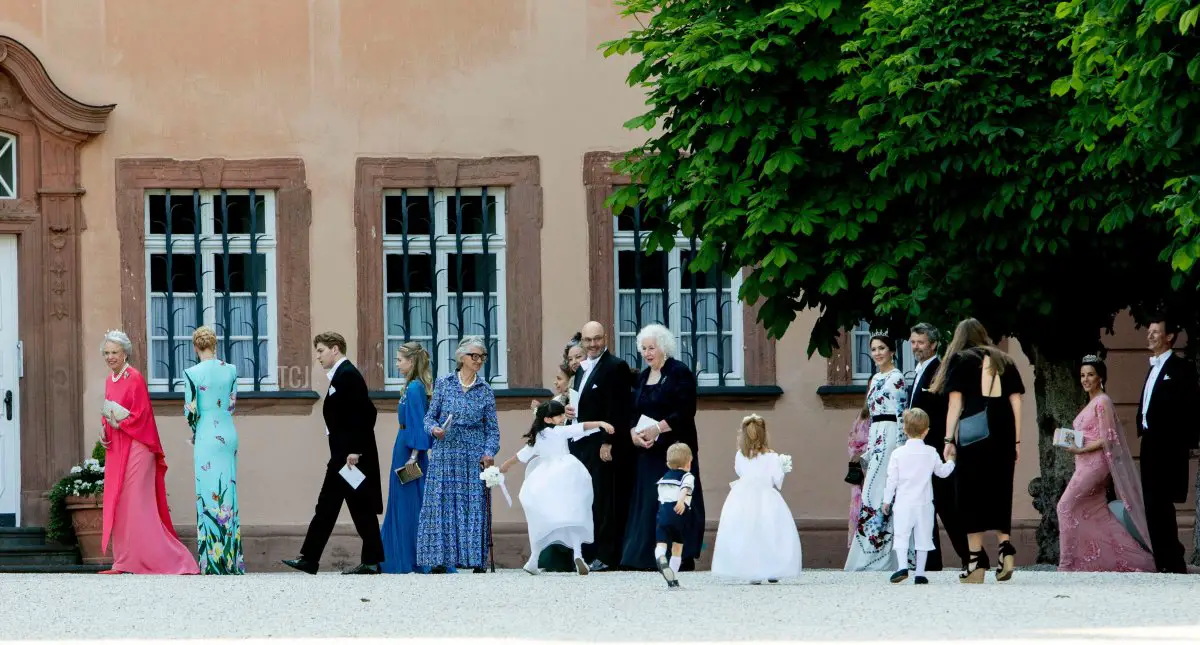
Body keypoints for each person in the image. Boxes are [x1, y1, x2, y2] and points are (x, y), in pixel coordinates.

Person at [931, 318, 1024, 583]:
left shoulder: (961, 360)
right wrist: (1017, 441)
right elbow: (1016, 402)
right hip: (1004, 431)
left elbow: (955, 404)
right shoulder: (1005, 360)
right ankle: (1005, 548)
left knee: (970, 495)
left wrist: (948, 440)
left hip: (974, 433)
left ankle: (974, 563)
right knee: (1000, 491)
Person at [98, 330, 198, 575]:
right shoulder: (110, 380)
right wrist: (104, 431)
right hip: (118, 445)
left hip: (137, 446)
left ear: (125, 354)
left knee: (136, 504)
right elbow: (109, 410)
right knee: (120, 503)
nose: (110, 357)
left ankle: (174, 560)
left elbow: (142, 414)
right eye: (107, 353)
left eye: (114, 352)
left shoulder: (135, 377)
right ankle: (124, 560)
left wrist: (119, 424)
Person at [283, 332, 383, 575]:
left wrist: (355, 451)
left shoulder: (348, 375)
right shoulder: (342, 374)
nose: (317, 356)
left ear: (335, 349)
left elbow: (365, 414)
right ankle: (363, 561)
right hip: (343, 455)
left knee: (338, 507)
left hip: (348, 458)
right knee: (347, 508)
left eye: (320, 350)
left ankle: (312, 558)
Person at [1056, 355, 1155, 573]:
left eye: (1090, 375)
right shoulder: (1093, 402)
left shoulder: (1102, 401)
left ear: (1101, 377)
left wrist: (1081, 449)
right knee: (1097, 513)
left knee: (1064, 506)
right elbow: (1090, 434)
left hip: (1095, 465)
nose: (1085, 379)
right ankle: (1135, 561)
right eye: (1082, 375)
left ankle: (1067, 564)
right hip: (1084, 463)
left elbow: (1109, 437)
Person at [621, 324, 705, 572]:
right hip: (648, 450)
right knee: (648, 500)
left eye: (651, 348)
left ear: (664, 347)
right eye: (643, 349)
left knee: (675, 501)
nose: (647, 353)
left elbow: (686, 411)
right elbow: (633, 412)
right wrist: (633, 435)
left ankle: (680, 556)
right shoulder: (643, 376)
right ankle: (646, 557)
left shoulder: (679, 372)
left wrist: (658, 428)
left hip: (675, 450)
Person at [499, 399, 615, 576]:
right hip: (568, 472)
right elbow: (582, 427)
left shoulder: (538, 436)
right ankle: (578, 555)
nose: (563, 417)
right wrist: (600, 423)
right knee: (574, 513)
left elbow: (522, 455)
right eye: (559, 415)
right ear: (548, 419)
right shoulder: (560, 432)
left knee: (540, 518)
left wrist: (505, 465)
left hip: (545, 477)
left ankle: (534, 558)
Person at [417, 335, 501, 573]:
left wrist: (488, 452)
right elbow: (429, 417)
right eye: (474, 356)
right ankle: (441, 560)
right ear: (461, 357)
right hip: (445, 453)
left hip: (472, 454)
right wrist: (434, 429)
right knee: (442, 504)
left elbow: (492, 430)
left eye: (482, 356)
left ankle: (475, 560)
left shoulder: (485, 391)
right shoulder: (444, 383)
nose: (479, 360)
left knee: (473, 505)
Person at [567, 321, 634, 571]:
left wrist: (608, 442)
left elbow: (618, 408)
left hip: (602, 443)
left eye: (597, 339)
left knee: (605, 499)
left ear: (605, 338)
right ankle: (590, 552)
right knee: (589, 499)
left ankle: (607, 556)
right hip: (582, 443)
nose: (593, 344)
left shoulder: (616, 367)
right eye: (587, 340)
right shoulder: (582, 369)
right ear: (582, 341)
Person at [1135, 316, 1198, 574]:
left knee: (1163, 502)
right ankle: (1161, 559)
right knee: (1151, 502)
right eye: (1148, 332)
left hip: (1169, 445)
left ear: (1169, 336)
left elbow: (1191, 407)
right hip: (1149, 443)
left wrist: (1187, 442)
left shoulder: (1182, 368)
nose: (1149, 336)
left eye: (1155, 332)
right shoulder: (1152, 368)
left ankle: (1173, 561)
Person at [710, 414, 802, 584]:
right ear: (764, 434)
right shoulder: (772, 457)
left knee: (747, 533)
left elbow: (739, 472)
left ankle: (752, 571)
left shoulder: (740, 455)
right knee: (771, 532)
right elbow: (776, 480)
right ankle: (773, 570)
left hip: (741, 497)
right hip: (767, 496)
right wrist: (782, 468)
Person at [844, 333, 908, 572]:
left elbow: (902, 412)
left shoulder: (897, 377)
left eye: (882, 348)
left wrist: (901, 446)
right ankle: (870, 553)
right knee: (871, 494)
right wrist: (870, 448)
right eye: (873, 349)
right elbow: (871, 415)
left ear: (891, 351)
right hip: (877, 438)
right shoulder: (876, 379)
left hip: (891, 436)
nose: (878, 353)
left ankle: (888, 556)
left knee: (885, 493)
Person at [906, 322, 967, 571]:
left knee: (945, 504)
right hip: (920, 448)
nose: (916, 347)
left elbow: (944, 412)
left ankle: (971, 555)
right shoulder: (920, 369)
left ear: (933, 344)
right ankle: (931, 562)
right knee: (926, 505)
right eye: (912, 342)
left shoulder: (939, 369)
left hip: (934, 448)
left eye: (920, 342)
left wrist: (947, 442)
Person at [183, 326, 243, 575]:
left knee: (207, 494)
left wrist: (195, 430)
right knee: (228, 494)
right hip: (228, 432)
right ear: (215, 345)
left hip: (207, 432)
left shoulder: (191, 372)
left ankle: (211, 563)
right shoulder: (231, 370)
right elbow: (231, 405)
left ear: (196, 347)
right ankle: (232, 561)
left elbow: (190, 411)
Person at [882, 408, 956, 585]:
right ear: (926, 431)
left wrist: (886, 500)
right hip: (924, 504)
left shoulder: (897, 454)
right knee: (923, 538)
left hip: (903, 503)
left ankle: (902, 567)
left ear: (905, 430)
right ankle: (920, 573)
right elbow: (942, 473)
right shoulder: (931, 452)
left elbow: (891, 479)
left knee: (901, 535)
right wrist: (952, 461)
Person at [380, 342, 434, 574]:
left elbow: (419, 423)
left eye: (400, 360)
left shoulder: (414, 388)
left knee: (411, 503)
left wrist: (414, 456)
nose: (397, 364)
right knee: (403, 502)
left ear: (411, 362)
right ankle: (400, 555)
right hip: (403, 445)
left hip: (409, 451)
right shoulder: (412, 387)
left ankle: (410, 558)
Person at [652, 442, 695, 588]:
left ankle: (660, 557)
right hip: (679, 512)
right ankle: (673, 576)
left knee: (661, 542)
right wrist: (681, 501)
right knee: (677, 546)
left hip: (663, 512)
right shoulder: (688, 476)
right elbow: (685, 488)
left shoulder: (664, 478)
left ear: (668, 463)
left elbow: (660, 497)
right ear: (689, 462)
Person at [846, 407, 870, 549]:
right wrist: (856, 453)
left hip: (872, 465)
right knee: (858, 504)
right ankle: (856, 546)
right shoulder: (862, 415)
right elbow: (851, 438)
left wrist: (865, 452)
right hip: (858, 468)